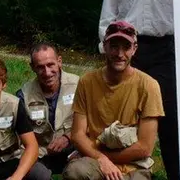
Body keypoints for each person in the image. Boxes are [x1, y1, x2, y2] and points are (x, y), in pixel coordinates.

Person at [97, 0, 180, 179]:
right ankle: (128, 173)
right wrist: (107, 50)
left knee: (169, 121)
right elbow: (109, 14)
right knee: (124, 119)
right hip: (128, 50)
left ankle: (176, 174)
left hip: (166, 50)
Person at [63, 21, 165, 180]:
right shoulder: (86, 82)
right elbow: (77, 134)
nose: (119, 53)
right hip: (95, 160)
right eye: (114, 46)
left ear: (134, 49)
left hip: (134, 164)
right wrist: (100, 159)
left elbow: (145, 147)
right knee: (75, 172)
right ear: (104, 47)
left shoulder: (149, 85)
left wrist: (107, 159)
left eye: (126, 47)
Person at [15, 43, 79, 174]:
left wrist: (68, 137)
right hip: (40, 154)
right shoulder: (23, 96)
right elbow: (19, 138)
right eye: (40, 67)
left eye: (50, 65)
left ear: (59, 62)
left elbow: (93, 123)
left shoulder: (80, 85)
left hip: (74, 149)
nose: (47, 72)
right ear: (32, 67)